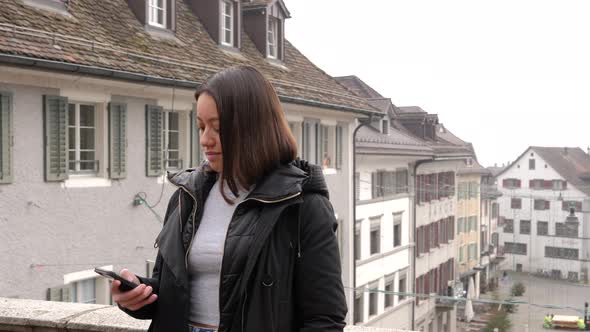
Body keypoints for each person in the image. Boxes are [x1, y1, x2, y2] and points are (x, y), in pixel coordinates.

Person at [112, 66, 347, 332]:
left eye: (218, 128)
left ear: (255, 128)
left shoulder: (304, 204)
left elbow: (325, 319)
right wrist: (138, 297)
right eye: (200, 126)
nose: (205, 139)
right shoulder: (186, 196)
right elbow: (171, 292)